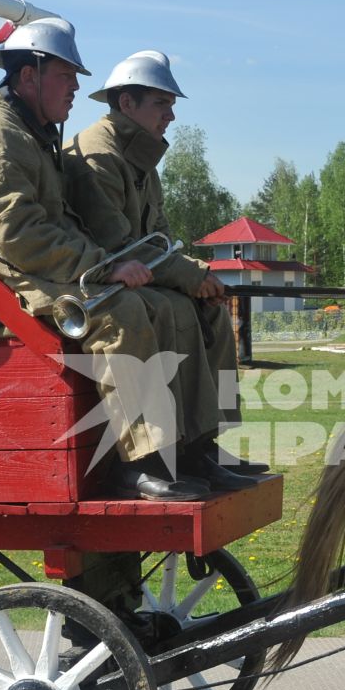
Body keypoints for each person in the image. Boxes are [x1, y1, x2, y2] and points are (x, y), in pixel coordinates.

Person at [0, 17, 227, 501]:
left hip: (22, 273)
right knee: (121, 312)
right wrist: (105, 266)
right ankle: (141, 464)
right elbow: (19, 234)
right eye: (67, 76)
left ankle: (190, 451)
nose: (76, 88)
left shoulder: (26, 130)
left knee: (173, 306)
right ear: (29, 75)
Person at [66, 50, 264, 481]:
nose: (171, 116)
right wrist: (191, 277)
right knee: (176, 310)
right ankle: (156, 455)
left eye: (171, 104)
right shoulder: (99, 157)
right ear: (126, 104)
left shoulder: (140, 158)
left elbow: (160, 241)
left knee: (210, 312)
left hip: (132, 274)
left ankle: (201, 445)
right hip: (101, 281)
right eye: (162, 103)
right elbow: (119, 246)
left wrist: (200, 276)